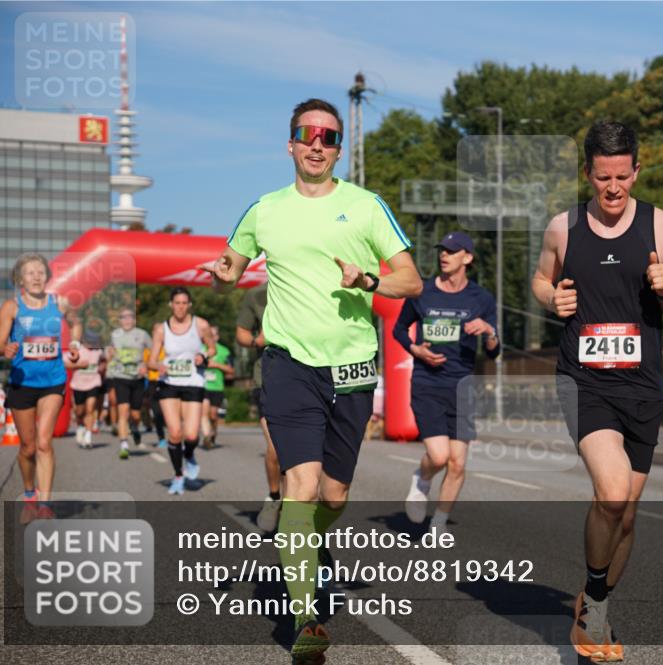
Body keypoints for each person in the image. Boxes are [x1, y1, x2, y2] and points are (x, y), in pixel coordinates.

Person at [207, 97, 421, 663]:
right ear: (291, 144)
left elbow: (411, 281)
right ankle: (307, 621)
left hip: (350, 367)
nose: (317, 145)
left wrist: (369, 278)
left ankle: (308, 541)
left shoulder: (367, 205)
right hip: (288, 365)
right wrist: (223, 274)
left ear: (338, 148)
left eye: (328, 137)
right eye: (308, 135)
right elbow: (230, 269)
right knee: (299, 487)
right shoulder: (264, 210)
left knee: (334, 494)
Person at [532, 120, 663, 662]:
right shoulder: (564, 227)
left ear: (637, 171)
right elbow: (540, 278)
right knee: (613, 490)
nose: (614, 188)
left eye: (623, 176)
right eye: (603, 178)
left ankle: (592, 599)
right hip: (584, 380)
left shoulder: (660, 225)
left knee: (627, 514)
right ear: (588, 174)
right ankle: (594, 612)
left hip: (643, 384)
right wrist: (552, 299)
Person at [393, 231, 500, 534]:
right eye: (442, 250)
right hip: (428, 383)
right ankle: (422, 478)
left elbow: (494, 350)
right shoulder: (423, 292)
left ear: (467, 258)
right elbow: (399, 330)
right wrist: (415, 349)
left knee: (457, 464)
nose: (444, 255)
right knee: (439, 457)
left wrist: (489, 332)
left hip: (463, 388)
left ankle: (438, 523)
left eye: (452, 251)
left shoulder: (481, 298)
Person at [0, 254, 81, 523]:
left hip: (53, 380)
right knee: (28, 448)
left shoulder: (59, 303)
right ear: (20, 279)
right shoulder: (11, 307)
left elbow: (76, 324)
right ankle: (30, 495)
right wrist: (5, 349)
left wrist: (74, 345)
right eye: (29, 273)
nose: (36, 276)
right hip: (22, 382)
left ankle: (44, 505)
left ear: (47, 276)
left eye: (40, 271)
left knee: (44, 443)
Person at [148, 287, 215, 495]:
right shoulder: (161, 329)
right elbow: (151, 359)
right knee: (175, 432)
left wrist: (203, 357)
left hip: (193, 382)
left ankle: (189, 454)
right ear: (171, 305)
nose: (180, 307)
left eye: (184, 303)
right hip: (169, 382)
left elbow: (212, 348)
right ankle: (178, 475)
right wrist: (157, 365)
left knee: (192, 434)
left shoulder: (201, 325)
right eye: (176, 303)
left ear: (189, 305)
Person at [235, 282, 283, 532]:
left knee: (304, 454)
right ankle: (275, 497)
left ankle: (297, 506)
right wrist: (257, 341)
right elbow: (241, 333)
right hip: (267, 376)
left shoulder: (311, 285)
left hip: (308, 376)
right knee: (277, 448)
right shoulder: (256, 295)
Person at [106, 307, 152, 459]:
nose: (127, 320)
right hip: (120, 376)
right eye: (123, 317)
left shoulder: (142, 334)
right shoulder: (114, 335)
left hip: (137, 378)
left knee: (136, 415)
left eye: (129, 317)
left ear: (134, 319)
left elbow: (153, 351)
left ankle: (135, 428)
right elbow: (109, 352)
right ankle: (124, 444)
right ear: (119, 320)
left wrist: (146, 365)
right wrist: (110, 358)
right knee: (123, 410)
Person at [69, 331, 106, 449]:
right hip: (78, 385)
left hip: (94, 383)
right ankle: (80, 427)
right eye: (89, 342)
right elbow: (67, 364)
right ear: (84, 341)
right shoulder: (77, 350)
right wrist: (79, 366)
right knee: (80, 411)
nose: (91, 344)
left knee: (90, 409)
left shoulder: (99, 351)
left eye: (93, 342)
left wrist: (102, 367)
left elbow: (104, 360)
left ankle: (88, 436)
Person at [202, 324, 234, 449]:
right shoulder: (200, 349)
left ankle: (213, 432)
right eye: (209, 335)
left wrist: (216, 365)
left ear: (218, 337)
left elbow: (231, 370)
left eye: (213, 335)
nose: (211, 337)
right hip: (203, 386)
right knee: (203, 413)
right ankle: (206, 436)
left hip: (217, 387)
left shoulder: (224, 351)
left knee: (213, 415)